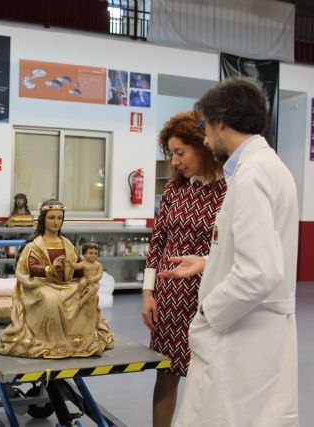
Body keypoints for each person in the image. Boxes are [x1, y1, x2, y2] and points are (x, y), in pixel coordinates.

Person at [159, 77, 299, 426]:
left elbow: (260, 273)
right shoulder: (269, 168)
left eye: (204, 127)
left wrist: (209, 313)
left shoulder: (252, 176)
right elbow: (261, 252)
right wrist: (211, 261)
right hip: (257, 333)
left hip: (241, 333)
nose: (205, 139)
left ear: (220, 122)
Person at [140, 111, 226, 427]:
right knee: (167, 373)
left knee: (208, 377)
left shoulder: (229, 190)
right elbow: (157, 243)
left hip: (209, 296)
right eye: (171, 154)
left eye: (180, 152)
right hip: (169, 298)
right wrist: (148, 293)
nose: (175, 162)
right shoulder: (175, 190)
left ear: (202, 146)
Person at [0, 199, 114, 358]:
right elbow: (30, 267)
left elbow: (77, 267)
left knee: (89, 294)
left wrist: (86, 273)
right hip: (40, 284)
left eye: (59, 218)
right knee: (50, 299)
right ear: (43, 219)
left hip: (65, 285)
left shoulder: (67, 244)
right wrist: (49, 269)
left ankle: (80, 341)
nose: (56, 222)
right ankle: (50, 341)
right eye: (51, 217)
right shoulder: (34, 245)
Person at [68, 242, 104, 308]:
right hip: (86, 278)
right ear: (84, 254)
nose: (93, 255)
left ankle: (82, 301)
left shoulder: (98, 265)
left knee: (94, 288)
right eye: (91, 253)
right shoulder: (83, 263)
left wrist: (94, 278)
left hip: (94, 282)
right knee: (82, 283)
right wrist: (70, 264)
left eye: (96, 253)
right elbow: (76, 266)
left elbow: (100, 275)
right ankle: (78, 296)